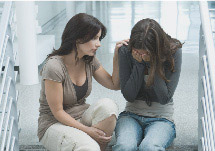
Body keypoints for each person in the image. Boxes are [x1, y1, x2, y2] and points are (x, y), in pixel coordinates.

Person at [37, 13, 128, 151]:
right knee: (89, 146)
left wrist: (116, 56)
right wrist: (88, 130)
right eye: (94, 38)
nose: (99, 44)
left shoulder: (88, 59)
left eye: (99, 38)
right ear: (78, 38)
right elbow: (58, 112)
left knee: (108, 107)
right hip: (54, 124)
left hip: (81, 116)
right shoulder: (54, 67)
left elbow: (114, 84)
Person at [112, 18, 182, 151]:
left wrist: (151, 64)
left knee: (149, 147)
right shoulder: (126, 51)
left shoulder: (173, 52)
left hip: (162, 118)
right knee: (124, 146)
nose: (142, 55)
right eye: (139, 52)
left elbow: (164, 97)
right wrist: (138, 65)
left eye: (147, 53)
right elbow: (129, 96)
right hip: (131, 114)